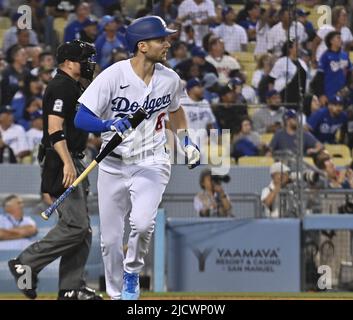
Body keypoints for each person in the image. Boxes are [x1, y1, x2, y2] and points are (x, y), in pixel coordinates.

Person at [74, 16, 201, 300]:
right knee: (109, 241)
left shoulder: (170, 78)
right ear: (142, 46)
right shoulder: (113, 76)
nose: (168, 43)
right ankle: (117, 296)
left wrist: (187, 142)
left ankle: (132, 272)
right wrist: (108, 125)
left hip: (152, 160)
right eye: (161, 39)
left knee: (143, 223)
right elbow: (81, 117)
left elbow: (176, 111)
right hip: (112, 164)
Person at [7, 40, 102, 300]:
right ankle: (26, 261)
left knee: (83, 229)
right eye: (85, 59)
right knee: (76, 226)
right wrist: (68, 163)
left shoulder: (72, 85)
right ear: (69, 62)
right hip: (61, 159)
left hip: (71, 157)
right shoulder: (62, 86)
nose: (90, 64)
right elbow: (53, 128)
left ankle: (72, 288)